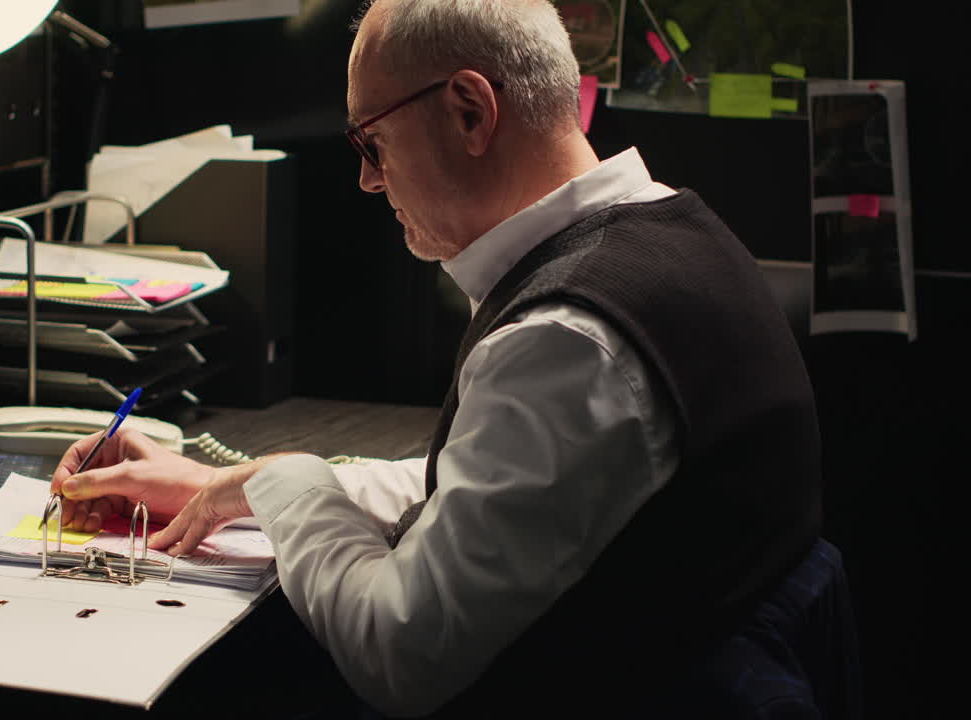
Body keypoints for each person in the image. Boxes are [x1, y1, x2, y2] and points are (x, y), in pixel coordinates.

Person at [50, 0, 822, 716]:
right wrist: (233, 487)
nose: (366, 178)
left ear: (469, 110)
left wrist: (292, 481)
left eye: (371, 141)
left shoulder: (566, 340)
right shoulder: (668, 237)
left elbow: (403, 656)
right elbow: (475, 491)